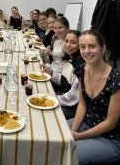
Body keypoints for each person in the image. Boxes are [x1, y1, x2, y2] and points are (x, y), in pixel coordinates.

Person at [68, 30, 120, 165]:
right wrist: (73, 131)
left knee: (67, 153)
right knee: (52, 134)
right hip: (88, 123)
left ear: (102, 48)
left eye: (92, 46)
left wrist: (78, 136)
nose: (86, 51)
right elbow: (83, 104)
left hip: (111, 138)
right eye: (82, 47)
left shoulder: (116, 80)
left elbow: (111, 122)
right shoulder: (81, 69)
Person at [41, 30, 83, 119]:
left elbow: (73, 97)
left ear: (80, 45)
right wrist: (51, 73)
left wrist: (52, 98)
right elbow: (65, 81)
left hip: (73, 107)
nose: (68, 45)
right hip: (65, 96)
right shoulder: (69, 59)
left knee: (44, 113)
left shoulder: (80, 65)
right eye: (66, 41)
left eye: (73, 42)